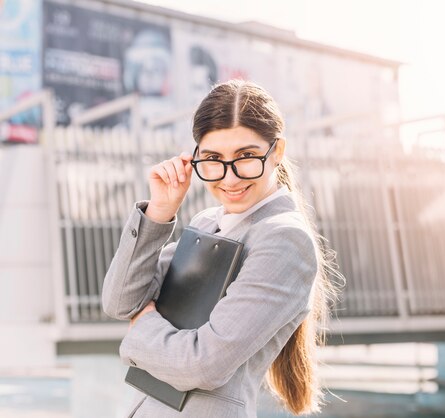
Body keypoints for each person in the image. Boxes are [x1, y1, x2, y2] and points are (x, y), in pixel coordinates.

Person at [101, 79, 342, 417]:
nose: (229, 179)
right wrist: (159, 213)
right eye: (213, 158)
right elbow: (120, 301)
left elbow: (202, 365)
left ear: (278, 152)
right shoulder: (205, 222)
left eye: (246, 156)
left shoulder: (284, 239)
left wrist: (141, 329)